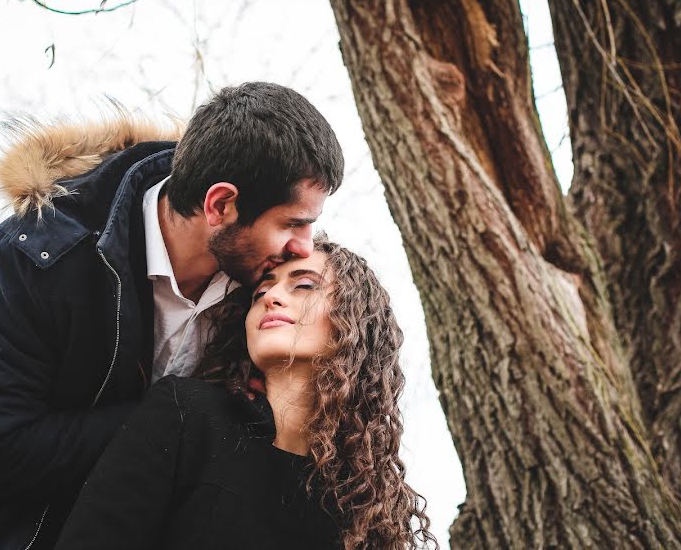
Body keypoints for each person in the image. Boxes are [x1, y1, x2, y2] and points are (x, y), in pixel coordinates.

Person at [0, 83, 344, 549]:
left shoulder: (264, 289)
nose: (304, 246)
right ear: (220, 205)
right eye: (293, 223)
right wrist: (178, 417)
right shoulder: (40, 254)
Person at [54, 236, 438, 550]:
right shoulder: (186, 414)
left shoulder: (361, 501)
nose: (271, 297)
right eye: (260, 293)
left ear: (354, 322)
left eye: (303, 285)